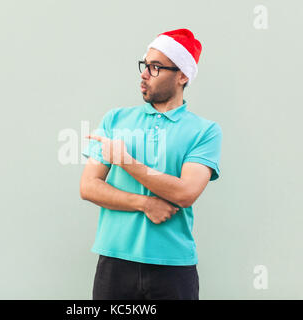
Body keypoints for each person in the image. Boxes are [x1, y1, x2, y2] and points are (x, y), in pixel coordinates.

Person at [79, 28, 222, 300]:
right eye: (145, 65)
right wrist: (145, 203)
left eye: (155, 67)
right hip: (114, 261)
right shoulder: (115, 120)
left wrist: (126, 161)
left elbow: (185, 193)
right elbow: (88, 187)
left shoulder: (205, 131)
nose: (144, 74)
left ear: (182, 75)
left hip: (174, 267)